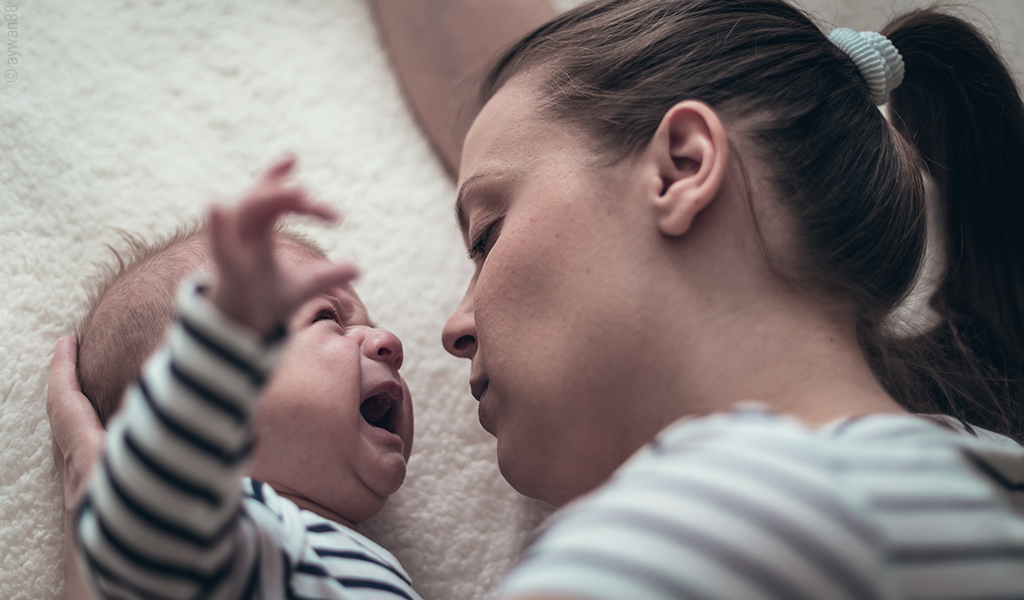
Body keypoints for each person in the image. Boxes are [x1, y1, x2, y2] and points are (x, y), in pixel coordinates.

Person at [51, 0, 1024, 598]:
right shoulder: (967, 472)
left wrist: (100, 544)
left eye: (484, 234)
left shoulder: (745, 508)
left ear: (683, 168)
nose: (447, 326)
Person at [62, 157, 422, 600]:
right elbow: (133, 529)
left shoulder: (343, 554)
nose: (387, 341)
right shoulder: (240, 532)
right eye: (327, 317)